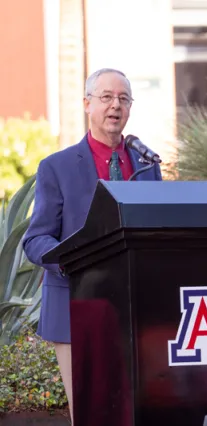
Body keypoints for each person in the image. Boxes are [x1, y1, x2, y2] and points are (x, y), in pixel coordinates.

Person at [22, 68, 162, 423]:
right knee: (92, 416)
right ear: (87, 104)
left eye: (123, 99)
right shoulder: (58, 167)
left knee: (139, 413)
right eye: (106, 97)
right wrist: (73, 262)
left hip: (137, 311)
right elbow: (36, 239)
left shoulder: (146, 166)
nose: (115, 105)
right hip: (76, 308)